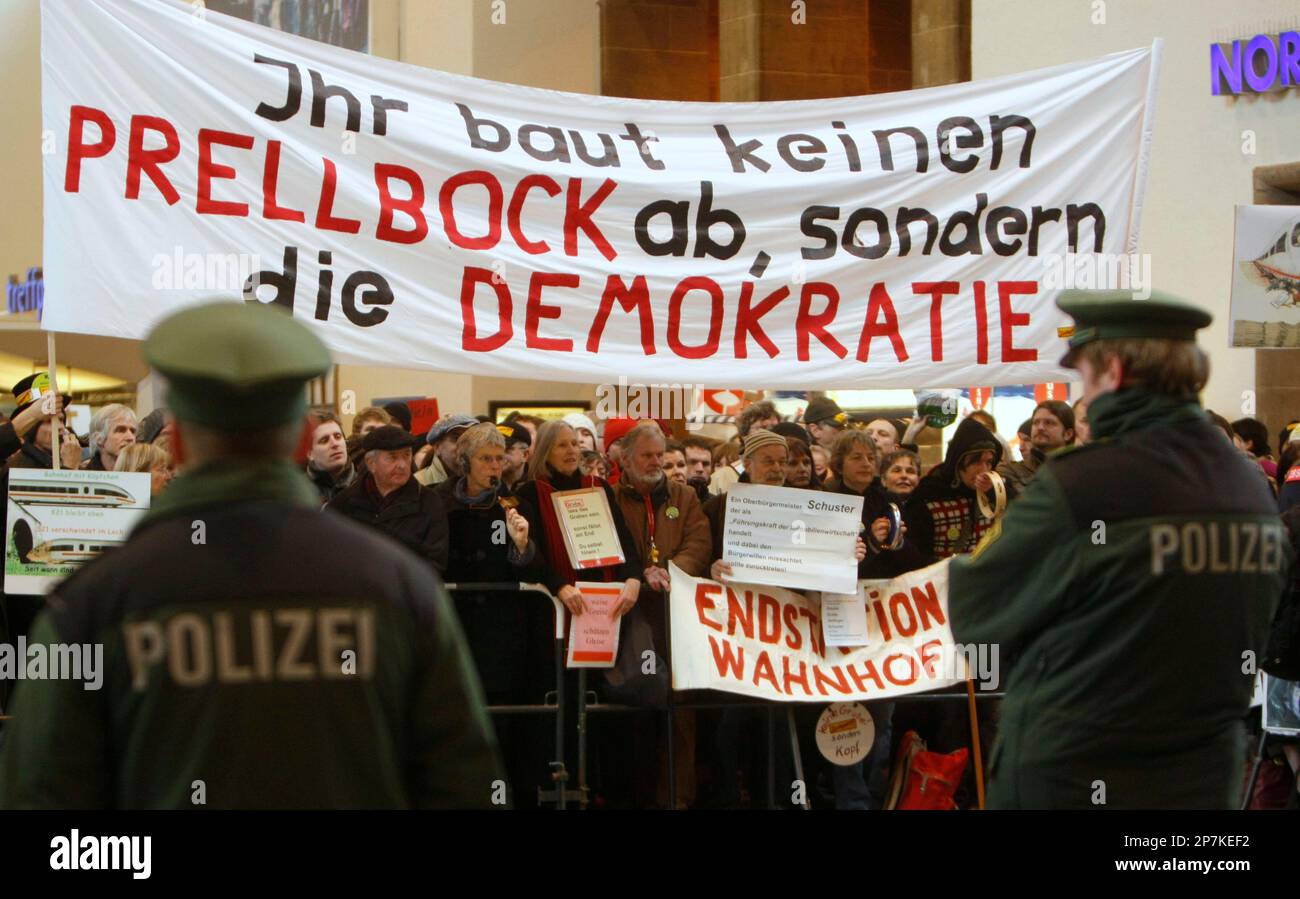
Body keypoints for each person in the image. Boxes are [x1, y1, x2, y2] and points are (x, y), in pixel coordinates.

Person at [0, 301, 500, 808]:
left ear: (183, 446)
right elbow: (463, 781)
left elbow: (45, 802)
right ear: (303, 439)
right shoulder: (397, 587)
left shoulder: (93, 603)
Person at [950, 289, 1291, 809]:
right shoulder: (1246, 487)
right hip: (1199, 778)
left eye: (1085, 373)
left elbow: (979, 611)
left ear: (1112, 372)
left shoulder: (1083, 483)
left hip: (1077, 772)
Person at [436, 423, 549, 807]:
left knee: (504, 724)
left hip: (502, 633)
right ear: (465, 463)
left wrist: (521, 547)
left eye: (500, 459)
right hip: (455, 626)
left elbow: (533, 569)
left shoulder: (516, 505)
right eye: (486, 459)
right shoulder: (438, 502)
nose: (495, 467)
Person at [613, 422, 712, 807]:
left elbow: (699, 543)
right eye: (647, 455)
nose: (656, 462)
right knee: (632, 710)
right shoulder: (609, 496)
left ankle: (677, 799)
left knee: (679, 716)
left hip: (676, 619)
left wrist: (669, 572)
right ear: (626, 458)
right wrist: (638, 575)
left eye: (660, 455)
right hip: (629, 619)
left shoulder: (684, 496)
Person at [513, 421, 641, 619]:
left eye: (574, 443)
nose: (571, 450)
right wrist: (559, 585)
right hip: (555, 603)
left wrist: (633, 577)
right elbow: (532, 550)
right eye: (562, 445)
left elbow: (622, 536)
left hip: (604, 597)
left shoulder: (598, 486)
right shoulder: (530, 492)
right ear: (546, 451)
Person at [328, 425, 450, 574]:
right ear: (371, 463)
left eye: (406, 455)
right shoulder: (343, 505)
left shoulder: (429, 502)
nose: (402, 464)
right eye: (392, 457)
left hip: (406, 592)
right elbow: (332, 558)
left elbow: (434, 563)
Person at [904, 416, 1002, 562]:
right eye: (976, 462)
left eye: (988, 462)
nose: (984, 469)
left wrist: (993, 494)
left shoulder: (995, 494)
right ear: (958, 463)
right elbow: (916, 555)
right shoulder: (928, 494)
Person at [996, 400, 1075, 502]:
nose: (1040, 427)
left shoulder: (1080, 469)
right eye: (1036, 422)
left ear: (1068, 434)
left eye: (1049, 423)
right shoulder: (1010, 470)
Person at [305, 411, 356, 504]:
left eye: (338, 436)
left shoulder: (365, 487)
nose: (335, 444)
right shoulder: (298, 493)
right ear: (310, 453)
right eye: (324, 440)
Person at [416, 414, 478, 487]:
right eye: (456, 438)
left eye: (471, 439)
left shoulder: (485, 482)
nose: (465, 446)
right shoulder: (417, 485)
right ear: (437, 447)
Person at [82, 403, 137, 471]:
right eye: (120, 430)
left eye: (133, 431)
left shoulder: (145, 475)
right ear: (99, 439)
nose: (130, 437)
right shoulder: (83, 478)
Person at [497, 421, 532, 489]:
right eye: (493, 449)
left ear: (525, 455)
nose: (498, 456)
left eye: (506, 449)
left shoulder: (538, 488)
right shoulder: (480, 487)